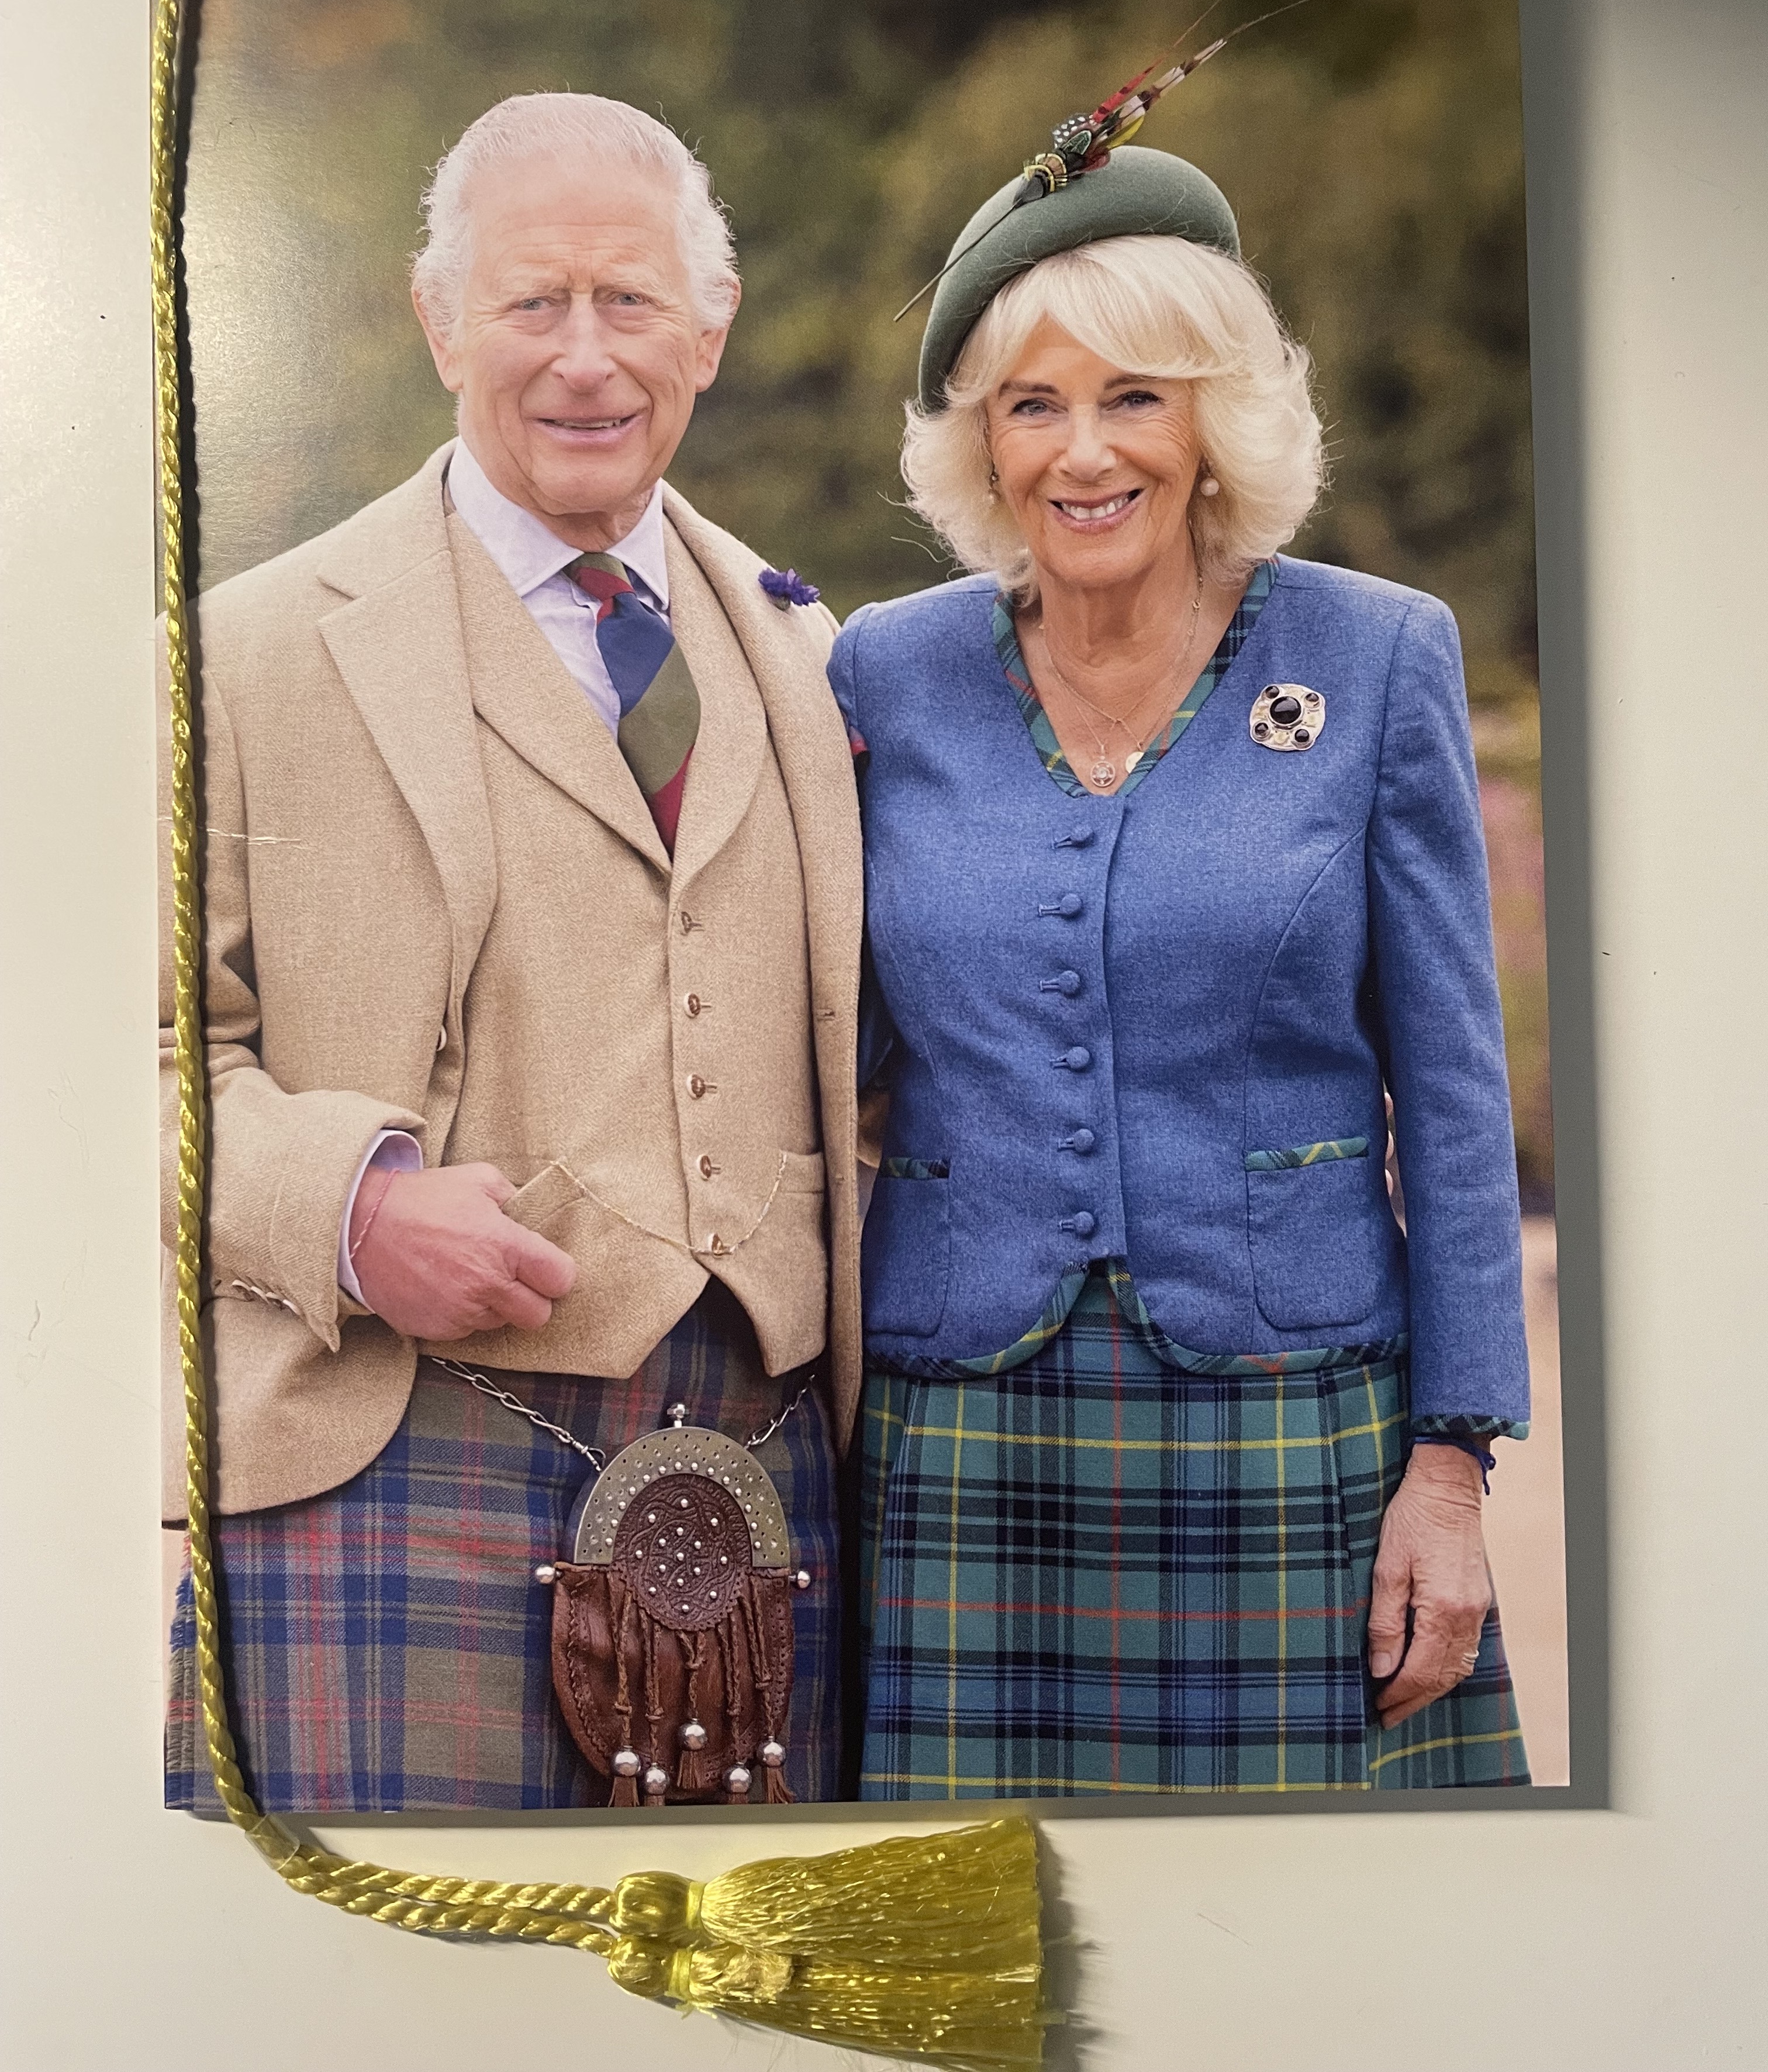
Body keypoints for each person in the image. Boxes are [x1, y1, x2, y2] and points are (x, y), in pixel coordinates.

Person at [161, 92, 862, 1812]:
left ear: (710, 331)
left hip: (762, 1464)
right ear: (439, 320)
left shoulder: (810, 651)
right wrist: (349, 1209)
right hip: (386, 1449)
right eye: (530, 301)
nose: (583, 357)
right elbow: (108, 1060)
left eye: (629, 302)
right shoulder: (241, 655)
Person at [830, 143, 1532, 1797]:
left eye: (1135, 397)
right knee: (983, 1935)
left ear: (1212, 420)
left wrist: (1453, 1465)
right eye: (1033, 404)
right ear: (979, 443)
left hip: (1295, 1411)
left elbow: (1452, 1094)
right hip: (961, 1424)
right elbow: (809, 1029)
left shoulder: (1375, 659)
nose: (1085, 452)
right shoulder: (884, 671)